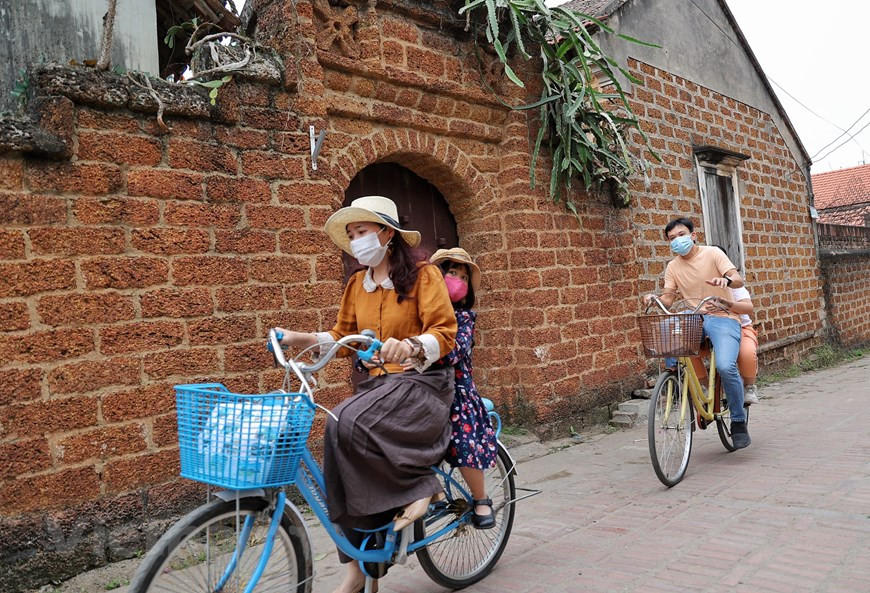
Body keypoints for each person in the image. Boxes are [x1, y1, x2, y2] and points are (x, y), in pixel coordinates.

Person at [276, 195, 457, 593]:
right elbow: (343, 336)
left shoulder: (425, 276)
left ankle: (422, 485)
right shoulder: (358, 283)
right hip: (379, 386)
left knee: (351, 422)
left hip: (422, 384)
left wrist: (409, 346)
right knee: (334, 430)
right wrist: (299, 337)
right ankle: (358, 562)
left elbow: (444, 333)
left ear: (387, 234)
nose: (356, 240)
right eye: (352, 234)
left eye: (363, 231)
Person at [643, 217, 751, 449]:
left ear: (693, 235)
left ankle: (739, 421)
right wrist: (655, 299)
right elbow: (669, 300)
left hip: (722, 316)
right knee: (666, 333)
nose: (677, 241)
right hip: (694, 317)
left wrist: (726, 280)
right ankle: (681, 384)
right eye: (672, 238)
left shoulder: (713, 254)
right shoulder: (673, 267)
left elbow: (738, 279)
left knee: (725, 365)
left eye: (681, 235)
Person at [430, 248, 498, 529]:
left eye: (463, 277)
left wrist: (417, 347)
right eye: (451, 273)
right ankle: (429, 489)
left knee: (462, 438)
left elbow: (451, 353)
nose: (457, 280)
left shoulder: (464, 318)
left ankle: (481, 499)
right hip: (422, 387)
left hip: (457, 390)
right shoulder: (421, 311)